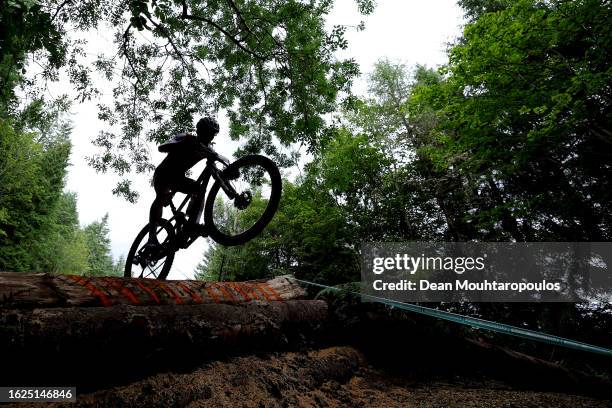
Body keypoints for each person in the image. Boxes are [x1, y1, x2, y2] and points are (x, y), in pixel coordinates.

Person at [146, 116, 220, 248]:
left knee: (199, 189)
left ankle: (192, 223)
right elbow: (162, 148)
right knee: (161, 197)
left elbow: (215, 168)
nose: (210, 137)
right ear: (200, 131)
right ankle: (151, 238)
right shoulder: (187, 138)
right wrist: (181, 143)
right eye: (208, 132)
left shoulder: (207, 149)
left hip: (178, 178)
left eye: (213, 134)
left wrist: (230, 171)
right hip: (163, 174)